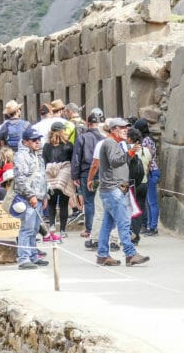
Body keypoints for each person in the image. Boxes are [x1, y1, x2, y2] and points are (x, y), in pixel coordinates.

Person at [93, 118, 150, 267]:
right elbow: (114, 161)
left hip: (112, 189)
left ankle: (102, 254)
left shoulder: (113, 143)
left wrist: (129, 153)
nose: (126, 130)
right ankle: (130, 253)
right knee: (124, 222)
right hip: (114, 189)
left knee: (107, 224)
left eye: (126, 127)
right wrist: (130, 152)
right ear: (113, 130)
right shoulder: (110, 143)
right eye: (122, 127)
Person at [11, 129, 49, 270]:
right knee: (27, 229)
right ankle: (24, 258)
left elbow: (43, 176)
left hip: (39, 196)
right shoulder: (21, 156)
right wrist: (30, 195)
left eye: (39, 139)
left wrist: (45, 195)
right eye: (34, 140)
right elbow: (20, 178)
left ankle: (33, 255)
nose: (38, 142)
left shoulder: (37, 155)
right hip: (28, 197)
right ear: (26, 141)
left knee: (34, 229)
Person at [73, 108, 106, 241]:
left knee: (89, 201)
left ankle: (90, 228)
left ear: (87, 124)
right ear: (98, 123)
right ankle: (101, 227)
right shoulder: (103, 138)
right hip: (102, 172)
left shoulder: (82, 138)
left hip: (86, 173)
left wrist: (74, 176)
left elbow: (76, 158)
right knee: (102, 201)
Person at [42, 122, 74, 242]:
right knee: (64, 204)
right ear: (62, 131)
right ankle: (63, 230)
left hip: (50, 177)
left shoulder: (46, 146)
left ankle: (51, 226)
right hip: (64, 178)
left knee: (51, 203)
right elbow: (72, 161)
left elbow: (44, 161)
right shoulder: (69, 145)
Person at [134, 118, 161, 236]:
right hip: (151, 171)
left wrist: (145, 171)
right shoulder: (148, 139)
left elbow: (148, 158)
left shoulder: (146, 141)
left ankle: (153, 227)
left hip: (150, 172)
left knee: (152, 202)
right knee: (148, 202)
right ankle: (150, 225)